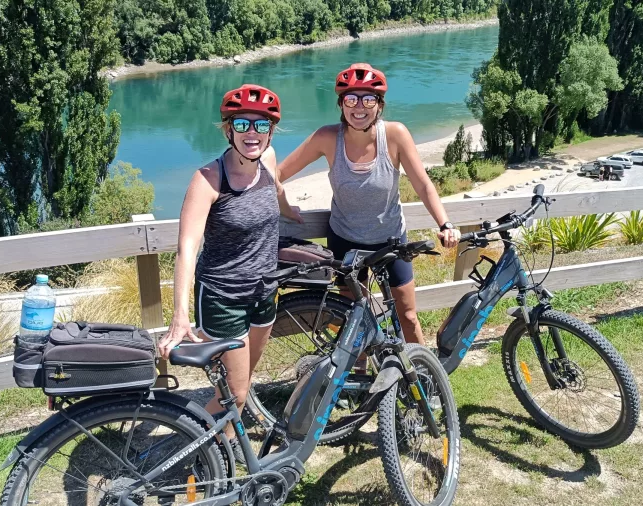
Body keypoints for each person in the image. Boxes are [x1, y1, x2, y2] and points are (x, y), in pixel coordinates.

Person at [158, 84, 301, 465]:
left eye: (261, 124)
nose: (252, 132)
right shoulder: (208, 179)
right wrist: (179, 317)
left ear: (271, 131)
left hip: (264, 292)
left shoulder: (268, 159)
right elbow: (186, 248)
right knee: (233, 393)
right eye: (242, 123)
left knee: (241, 382)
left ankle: (219, 440)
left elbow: (279, 191)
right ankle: (189, 455)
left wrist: (291, 211)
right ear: (228, 130)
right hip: (222, 298)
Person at [277, 63, 461, 347]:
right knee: (351, 318)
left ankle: (422, 379)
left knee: (408, 315)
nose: (359, 107)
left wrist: (444, 223)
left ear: (380, 104)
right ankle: (359, 375)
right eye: (351, 99)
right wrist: (284, 207)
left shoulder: (396, 135)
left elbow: (422, 184)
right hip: (345, 242)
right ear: (341, 104)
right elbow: (277, 174)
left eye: (368, 99)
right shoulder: (327, 137)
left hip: (391, 241)